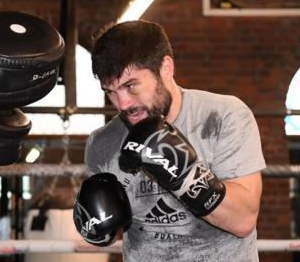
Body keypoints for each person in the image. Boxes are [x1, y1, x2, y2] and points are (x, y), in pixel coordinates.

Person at [84, 20, 266, 261]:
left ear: (166, 68)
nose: (123, 104)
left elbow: (243, 219)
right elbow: (116, 232)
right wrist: (97, 224)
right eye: (110, 91)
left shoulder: (222, 117)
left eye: (131, 85)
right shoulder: (102, 144)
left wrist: (181, 172)